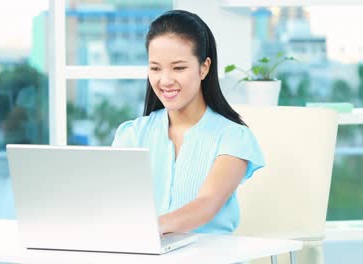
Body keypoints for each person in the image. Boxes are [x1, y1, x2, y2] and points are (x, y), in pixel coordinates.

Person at [112, 10, 265, 235]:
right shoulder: (132, 134)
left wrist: (148, 229)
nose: (165, 80)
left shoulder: (232, 137)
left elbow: (207, 204)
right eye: (155, 68)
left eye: (179, 68)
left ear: (204, 67)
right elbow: (114, 202)